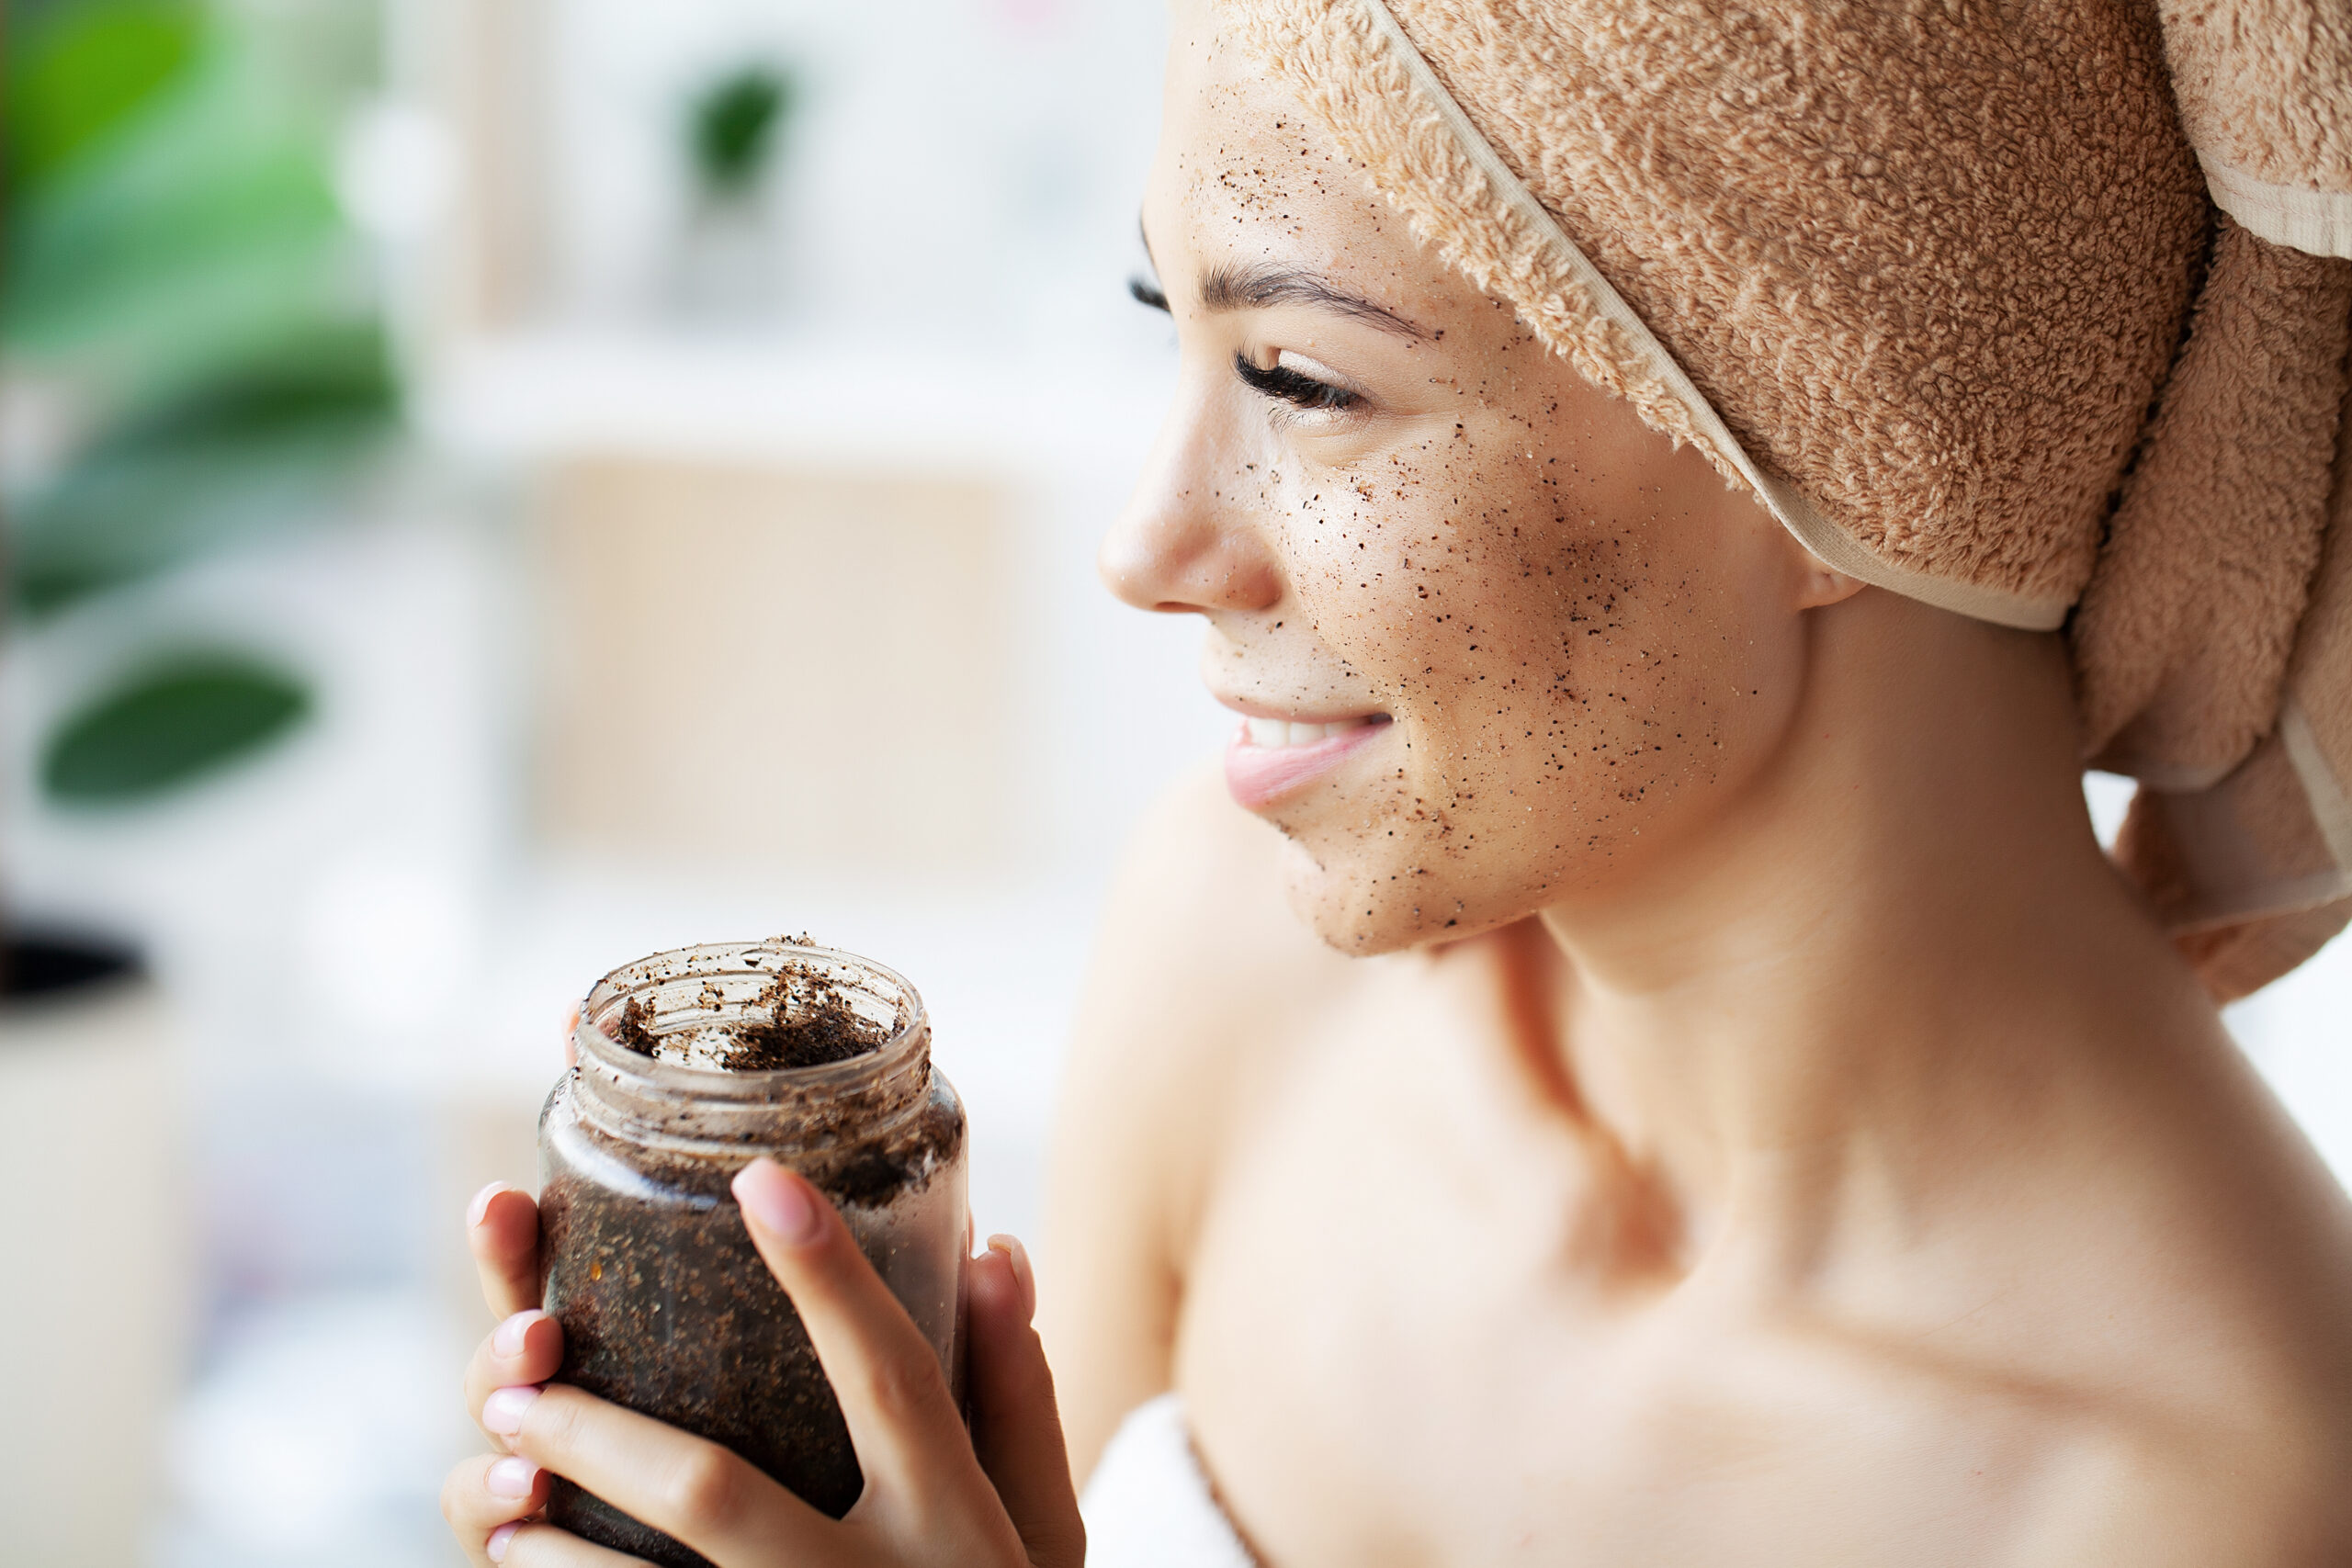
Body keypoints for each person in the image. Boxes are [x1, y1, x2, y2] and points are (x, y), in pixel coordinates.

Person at [440, 1, 2352, 1562]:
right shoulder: (1244, 967)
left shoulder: (2207, 1492)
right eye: (1165, 327)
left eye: (1298, 381)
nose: (1147, 540)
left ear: (1857, 455)